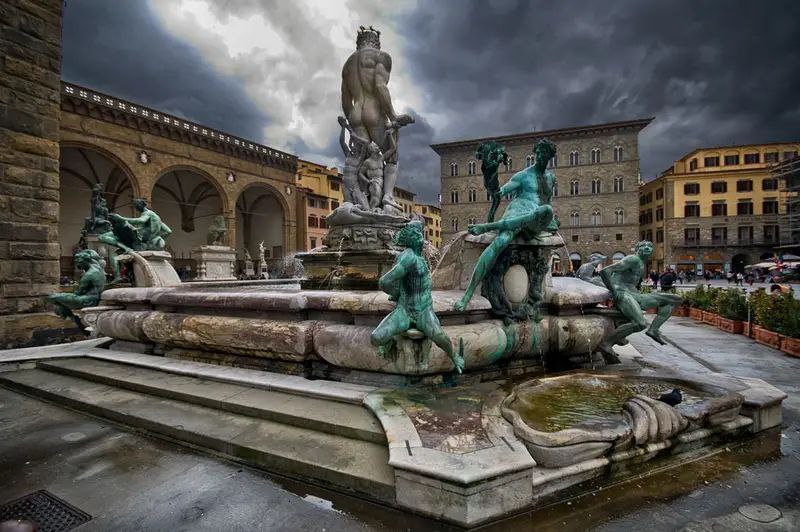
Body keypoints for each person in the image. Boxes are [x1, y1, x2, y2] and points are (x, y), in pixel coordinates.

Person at [454, 139, 557, 311]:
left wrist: (550, 223)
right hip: (517, 212)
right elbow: (499, 193)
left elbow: (547, 201)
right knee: (500, 242)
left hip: (536, 220)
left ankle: (488, 226)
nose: (539, 157)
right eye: (537, 153)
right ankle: (468, 294)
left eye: (543, 154)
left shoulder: (551, 178)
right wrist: (490, 171)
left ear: (549, 156)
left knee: (547, 209)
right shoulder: (523, 176)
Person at [371, 221, 465, 373]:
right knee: (376, 338)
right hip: (405, 310)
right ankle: (391, 340)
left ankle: (455, 357)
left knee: (439, 336)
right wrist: (395, 294)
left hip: (424, 309)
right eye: (416, 233)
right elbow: (384, 281)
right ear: (410, 238)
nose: (420, 236)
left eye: (420, 232)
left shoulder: (419, 255)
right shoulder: (408, 257)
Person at [596, 241, 682, 358]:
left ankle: (653, 330)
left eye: (650, 246)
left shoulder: (642, 263)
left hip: (634, 294)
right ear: (637, 249)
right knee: (640, 323)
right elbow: (605, 271)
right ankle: (606, 343)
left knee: (675, 299)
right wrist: (614, 291)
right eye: (644, 246)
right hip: (622, 293)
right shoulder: (633, 259)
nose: (647, 248)